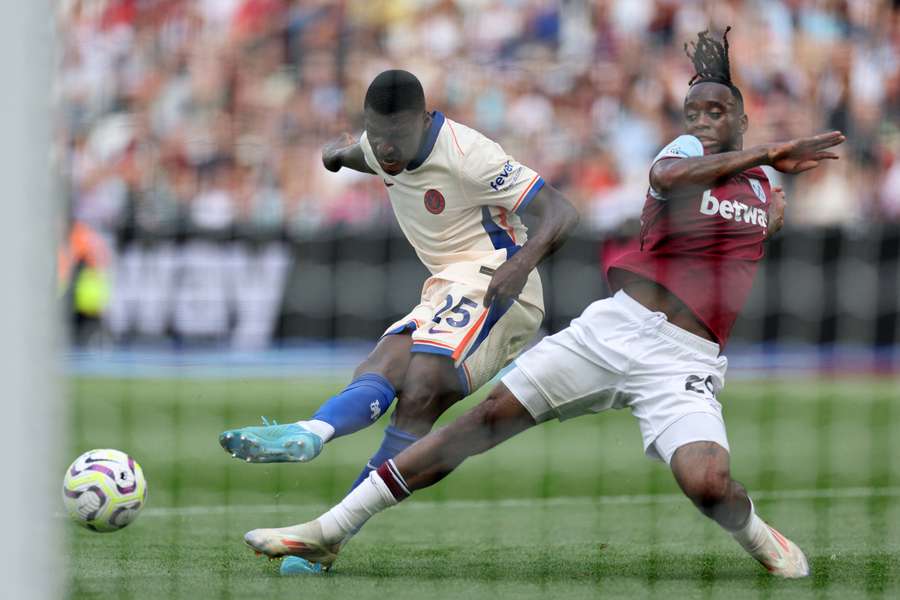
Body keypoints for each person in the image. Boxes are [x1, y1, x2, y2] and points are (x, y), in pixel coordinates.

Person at [241, 29, 845, 579]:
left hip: (684, 359)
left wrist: (770, 188)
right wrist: (767, 152)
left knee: (709, 485)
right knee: (478, 424)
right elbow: (671, 177)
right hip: (615, 328)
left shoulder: (766, 189)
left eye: (718, 111)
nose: (703, 121)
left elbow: (753, 229)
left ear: (743, 115)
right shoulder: (688, 156)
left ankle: (761, 537)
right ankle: (328, 531)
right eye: (694, 112)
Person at [220, 69, 579, 573]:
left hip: (500, 282)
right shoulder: (379, 144)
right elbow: (352, 154)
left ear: (425, 119)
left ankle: (331, 530)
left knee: (422, 388)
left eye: (397, 136)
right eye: (377, 133)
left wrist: (520, 266)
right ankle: (314, 434)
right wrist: (334, 155)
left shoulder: (470, 155)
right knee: (386, 362)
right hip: (445, 284)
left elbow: (562, 211)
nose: (386, 149)